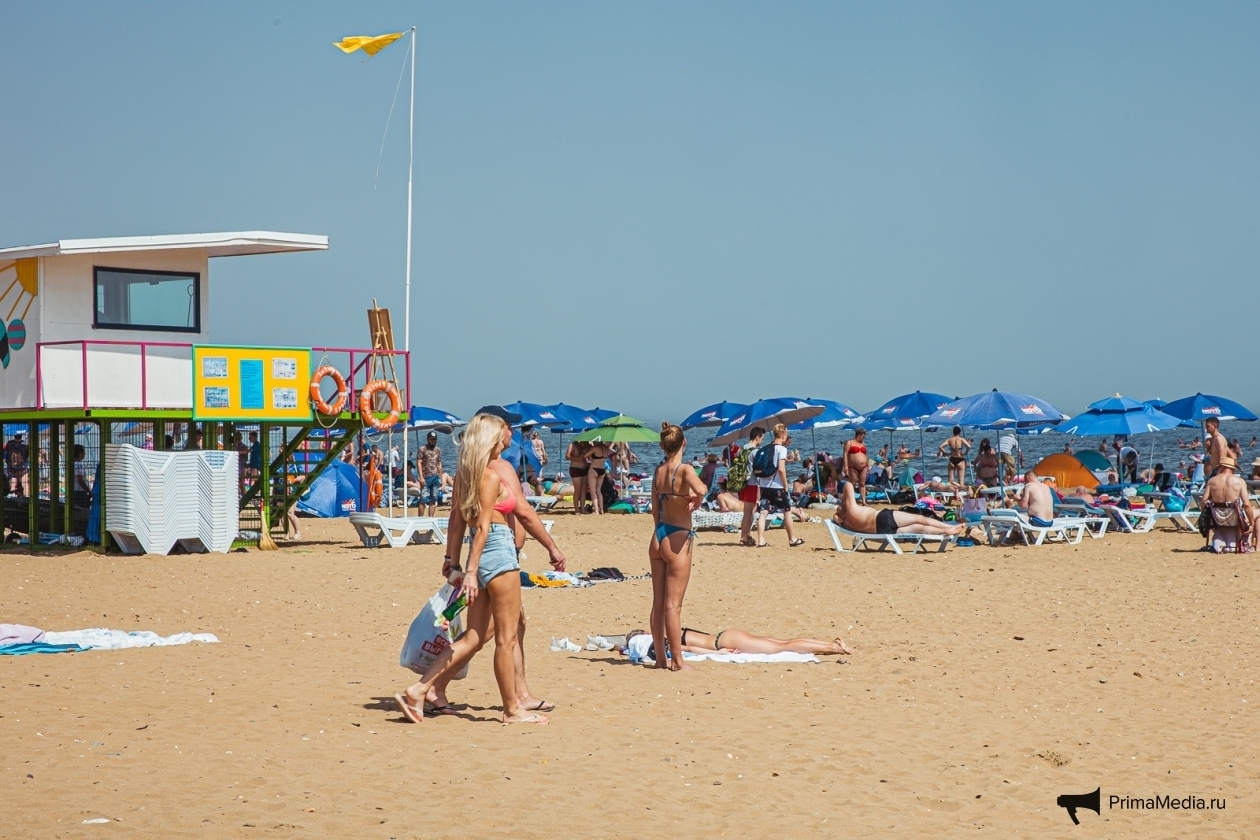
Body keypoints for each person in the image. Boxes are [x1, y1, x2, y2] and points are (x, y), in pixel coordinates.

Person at [396, 413, 559, 724]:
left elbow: (457, 523)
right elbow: (484, 527)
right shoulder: (491, 477)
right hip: (498, 554)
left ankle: (420, 688)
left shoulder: (464, 476)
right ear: (491, 440)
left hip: (480, 555)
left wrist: (453, 560)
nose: (505, 438)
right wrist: (468, 573)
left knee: (473, 636)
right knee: (506, 639)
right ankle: (512, 709)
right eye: (501, 434)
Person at [647, 422, 708, 672]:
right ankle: (678, 662)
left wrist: (659, 531)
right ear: (684, 443)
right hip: (678, 537)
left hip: (658, 534)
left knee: (658, 603)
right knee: (674, 606)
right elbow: (703, 488)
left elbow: (654, 506)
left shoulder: (659, 471)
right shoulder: (684, 469)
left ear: (663, 445)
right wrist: (698, 498)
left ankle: (661, 658)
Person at [622, 626, 854, 662]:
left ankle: (834, 648)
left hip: (723, 641)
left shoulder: (662, 642)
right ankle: (831, 644)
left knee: (783, 646)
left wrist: (721, 652)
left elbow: (689, 649)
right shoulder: (669, 629)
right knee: (782, 643)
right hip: (726, 633)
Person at [832, 480, 962, 541]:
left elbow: (836, 519)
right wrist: (841, 496)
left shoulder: (848, 522)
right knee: (919, 519)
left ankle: (945, 531)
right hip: (883, 518)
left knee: (919, 528)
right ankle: (947, 527)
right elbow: (848, 484)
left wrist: (839, 514)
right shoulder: (851, 509)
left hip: (880, 531)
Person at [753, 423, 804, 548]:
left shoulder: (766, 448)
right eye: (786, 435)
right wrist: (786, 485)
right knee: (787, 511)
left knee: (763, 513)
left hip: (764, 485)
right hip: (777, 486)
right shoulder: (781, 449)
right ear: (782, 435)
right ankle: (792, 539)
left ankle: (760, 540)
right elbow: (781, 469)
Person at [1201, 456, 1257, 553]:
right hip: (1234, 519)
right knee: (1258, 513)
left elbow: (1203, 501)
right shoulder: (1239, 482)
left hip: (1217, 519)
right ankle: (1258, 546)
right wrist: (1251, 524)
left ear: (1221, 467)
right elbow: (1247, 505)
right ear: (1232, 468)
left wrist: (1208, 518)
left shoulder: (1212, 481)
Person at [731, 427, 765, 547]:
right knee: (748, 511)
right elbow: (758, 469)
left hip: (741, 483)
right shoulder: (755, 452)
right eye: (762, 438)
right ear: (757, 437)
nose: (762, 441)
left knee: (748, 510)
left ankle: (747, 535)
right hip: (751, 483)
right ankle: (744, 537)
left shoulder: (740, 450)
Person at [418, 432, 444, 517]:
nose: (433, 441)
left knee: (433, 500)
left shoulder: (438, 450)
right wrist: (421, 477)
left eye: (434, 439)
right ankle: (420, 520)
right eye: (431, 439)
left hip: (435, 478)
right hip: (426, 478)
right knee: (423, 500)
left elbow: (439, 464)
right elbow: (419, 463)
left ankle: (430, 520)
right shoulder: (422, 449)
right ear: (428, 439)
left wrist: (441, 477)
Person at [842, 428, 870, 504]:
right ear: (859, 435)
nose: (863, 438)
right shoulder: (850, 442)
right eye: (863, 436)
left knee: (862, 484)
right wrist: (845, 466)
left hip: (863, 467)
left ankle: (864, 501)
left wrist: (868, 465)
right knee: (852, 483)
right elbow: (845, 454)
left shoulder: (863, 444)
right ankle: (850, 500)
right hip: (853, 466)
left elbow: (866, 455)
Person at [566, 440, 590, 514]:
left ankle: (582, 508)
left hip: (585, 468)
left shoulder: (588, 445)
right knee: (577, 490)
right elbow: (567, 456)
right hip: (575, 468)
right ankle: (576, 509)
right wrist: (578, 459)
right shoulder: (573, 445)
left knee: (583, 490)